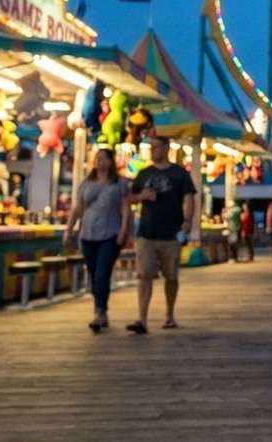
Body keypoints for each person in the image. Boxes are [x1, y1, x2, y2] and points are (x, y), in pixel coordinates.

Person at [125, 135, 197, 334]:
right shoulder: (143, 173)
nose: (153, 150)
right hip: (146, 232)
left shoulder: (179, 174)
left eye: (156, 147)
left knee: (171, 276)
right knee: (144, 275)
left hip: (171, 233)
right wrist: (141, 196)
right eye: (151, 147)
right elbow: (129, 197)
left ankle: (169, 314)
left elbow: (189, 198)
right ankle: (141, 318)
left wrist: (187, 221)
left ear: (166, 148)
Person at [63, 148, 131, 333]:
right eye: (97, 159)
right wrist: (69, 229)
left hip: (110, 234)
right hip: (88, 235)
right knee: (94, 275)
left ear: (111, 162)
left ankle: (100, 312)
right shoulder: (87, 183)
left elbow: (125, 209)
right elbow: (78, 208)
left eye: (102, 158)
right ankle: (101, 310)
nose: (99, 162)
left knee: (102, 273)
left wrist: (124, 231)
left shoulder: (119, 184)